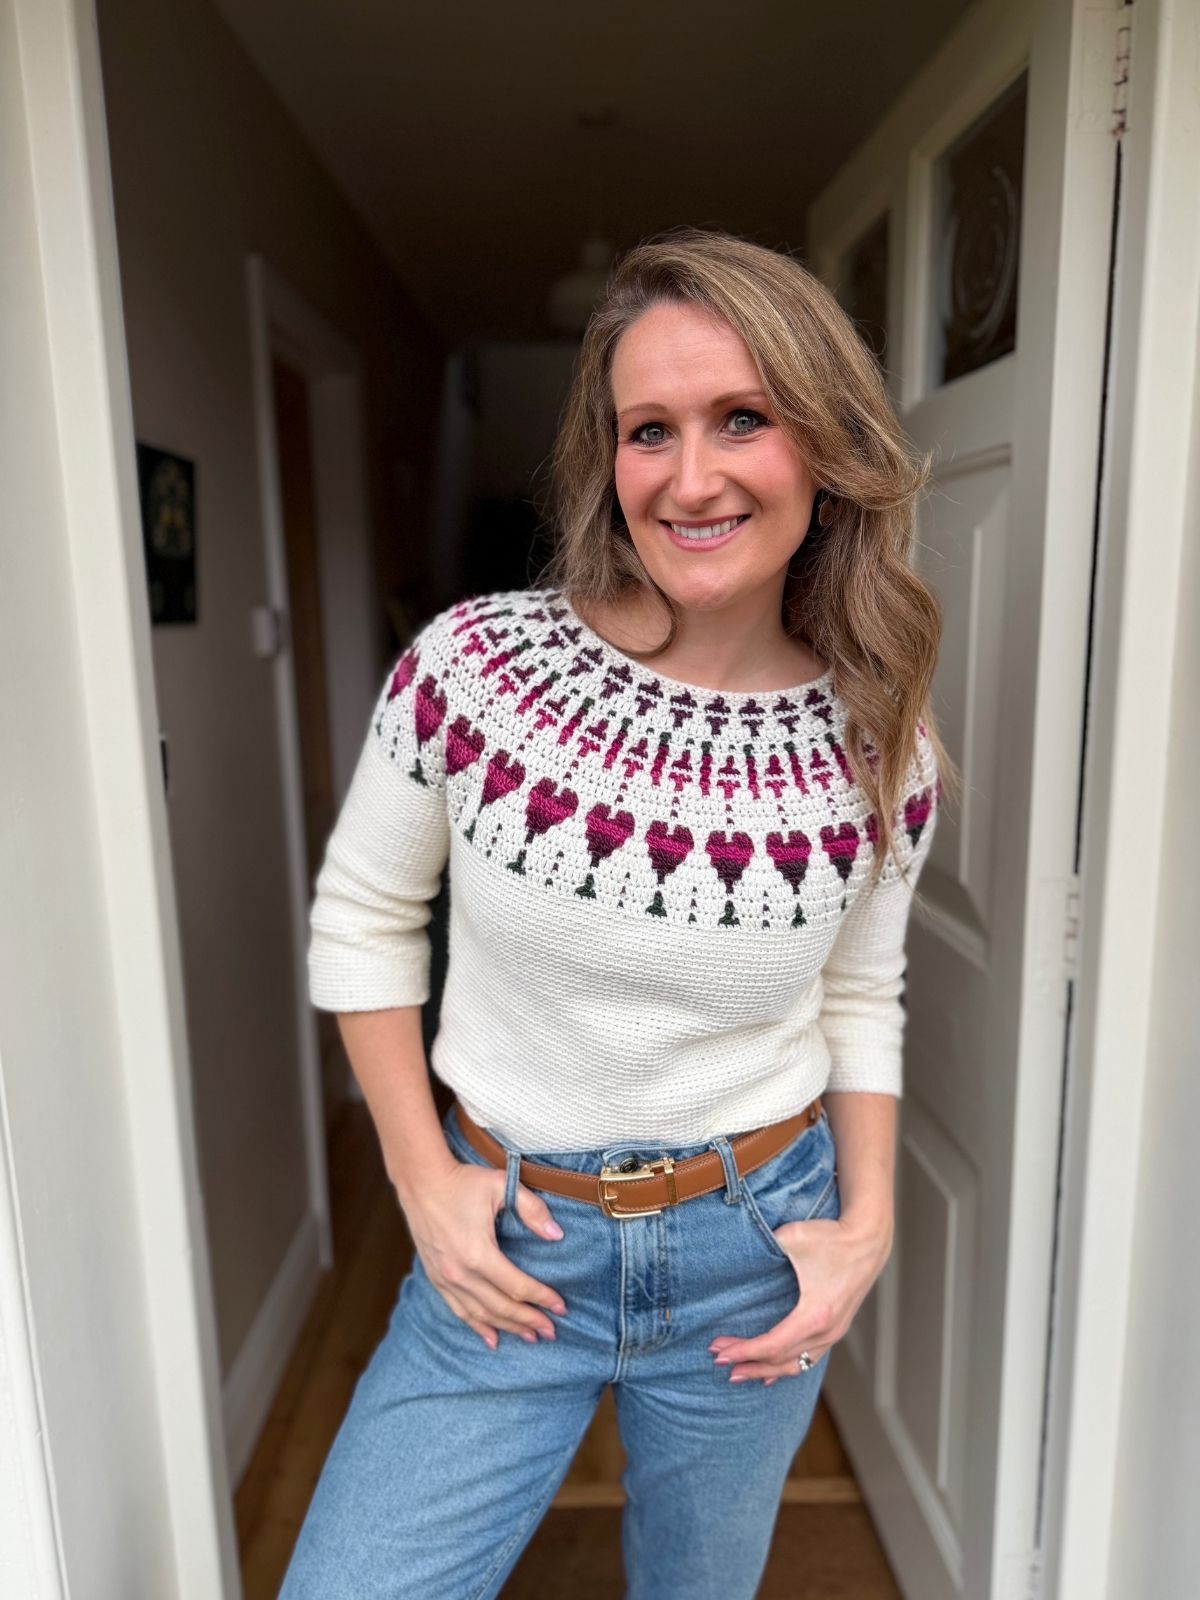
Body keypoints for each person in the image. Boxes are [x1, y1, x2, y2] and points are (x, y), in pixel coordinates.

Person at [278, 226, 957, 1599]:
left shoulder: (882, 744)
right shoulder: (476, 668)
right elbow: (361, 916)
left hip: (752, 1251)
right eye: (651, 430)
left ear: (825, 447)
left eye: (743, 419)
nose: (691, 477)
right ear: (611, 460)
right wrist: (420, 1180)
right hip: (509, 1239)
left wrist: (868, 1223)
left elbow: (858, 994)